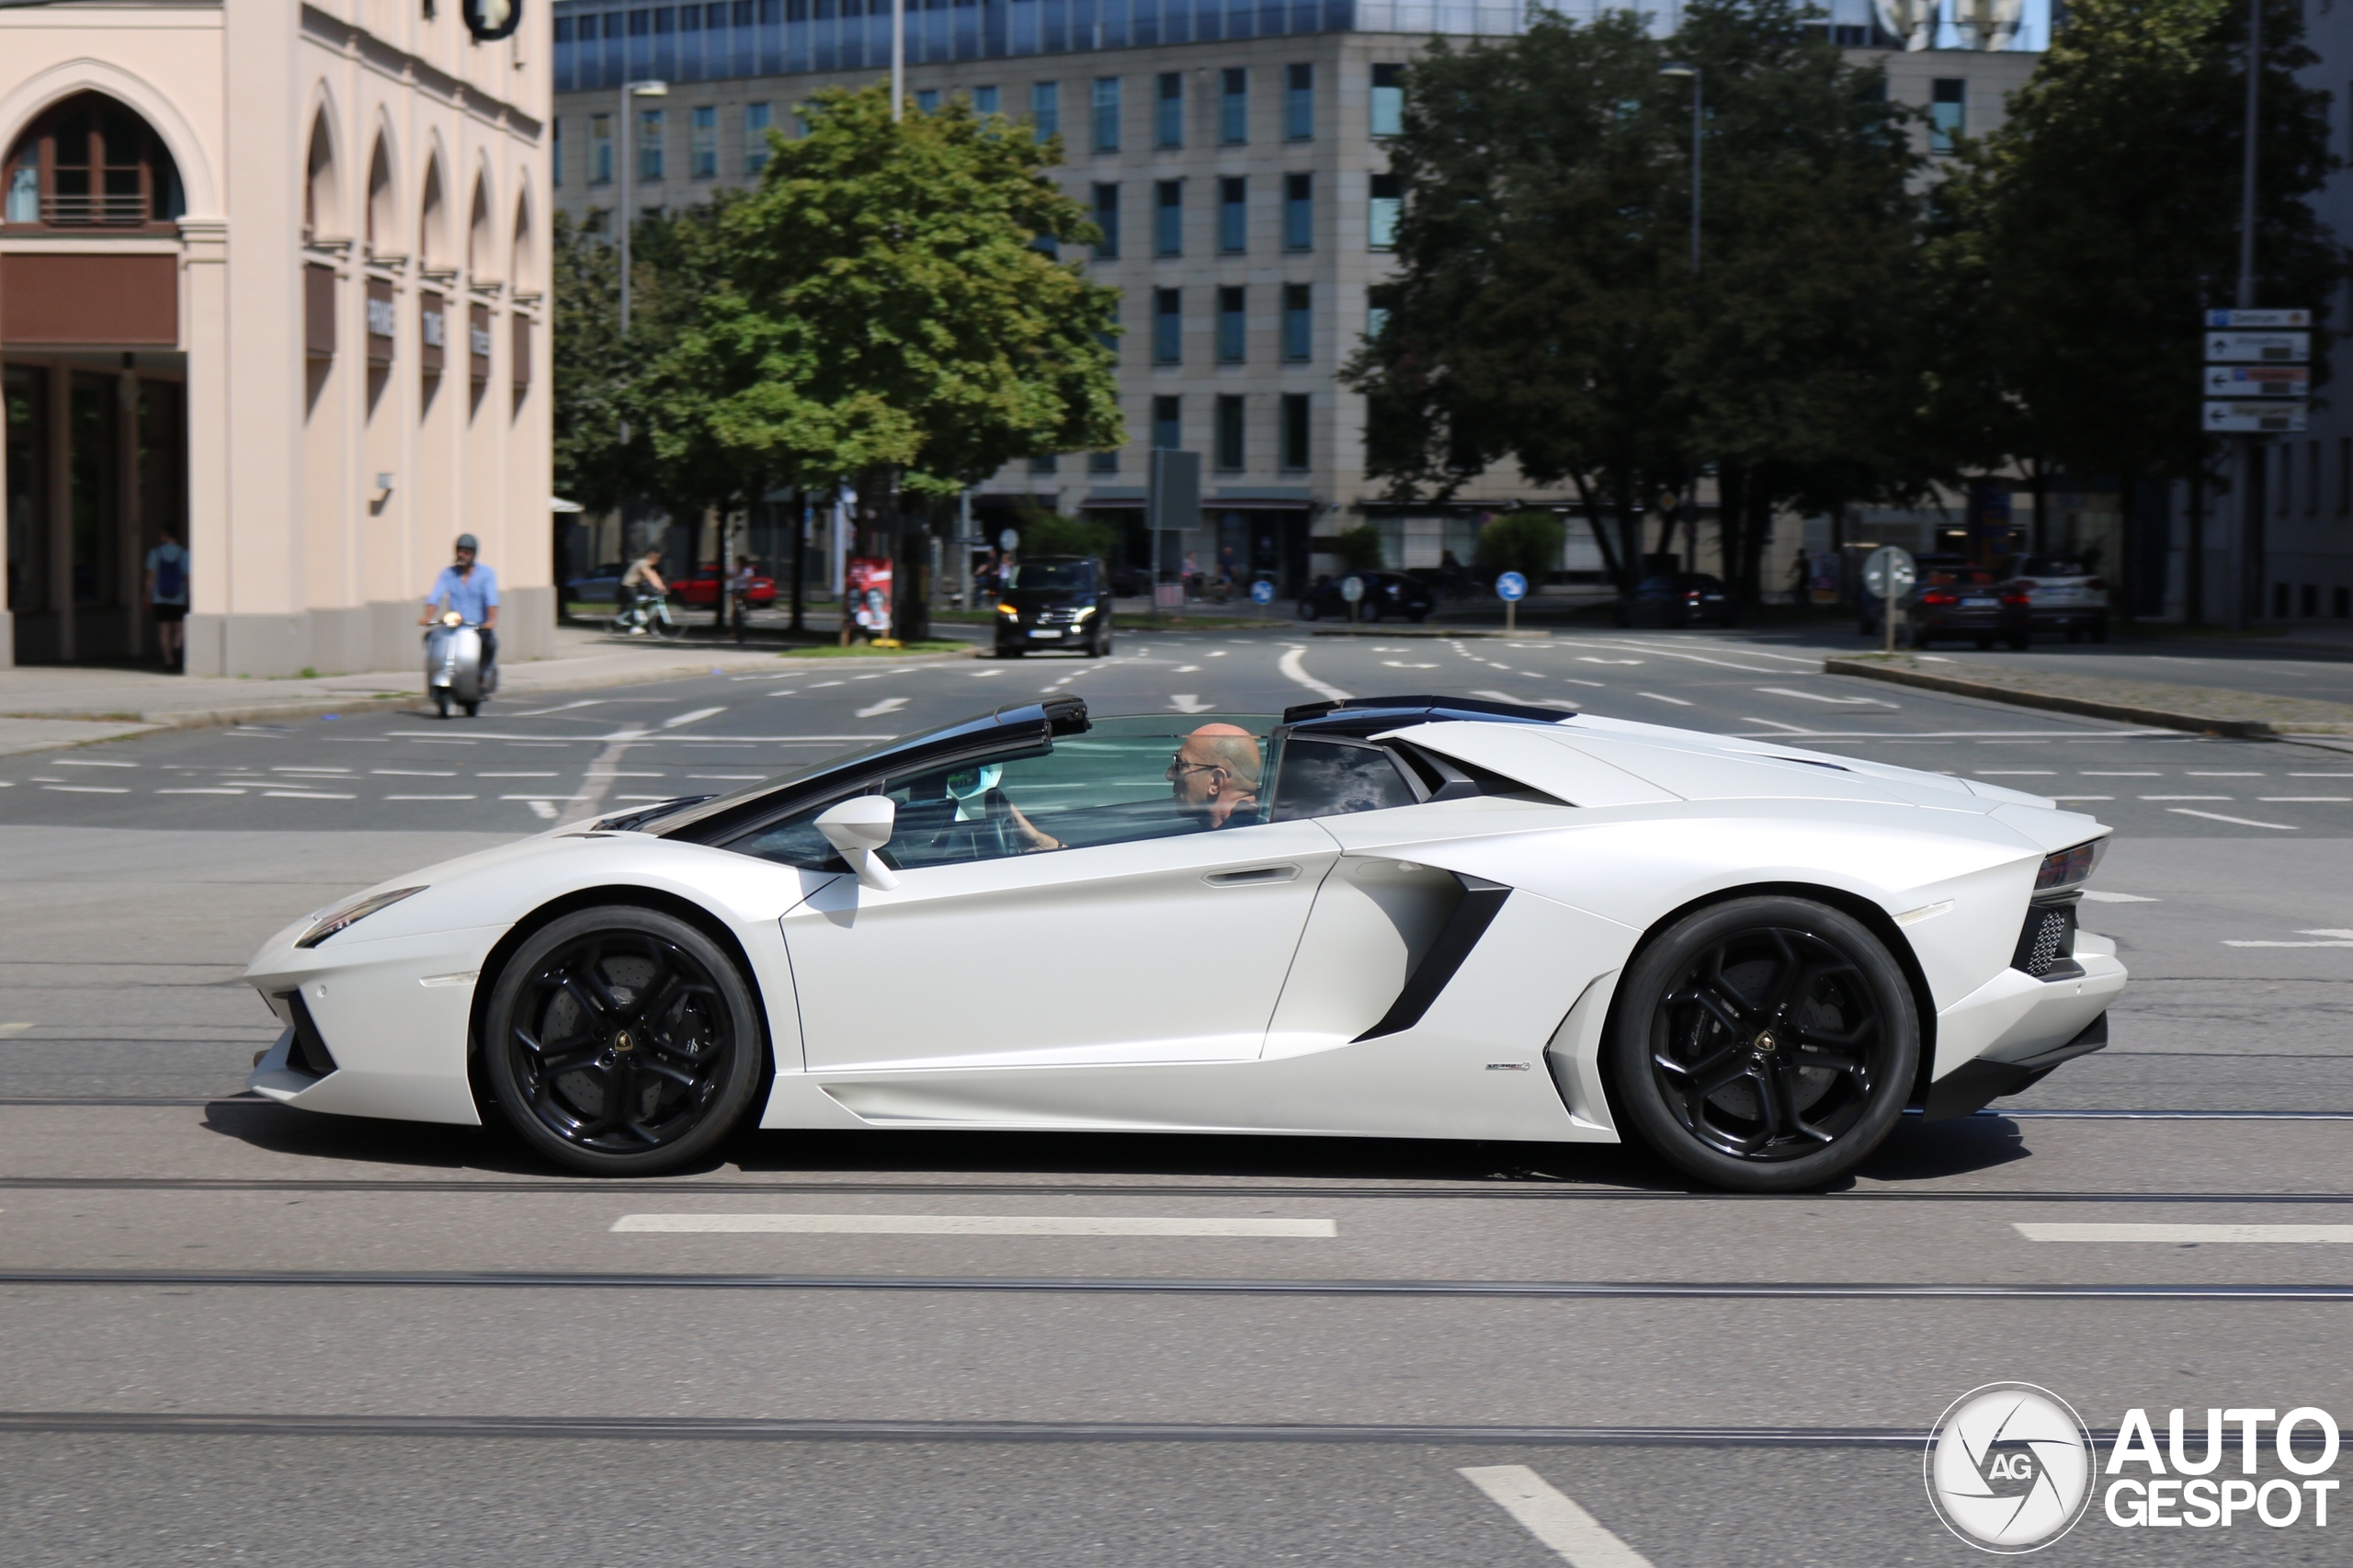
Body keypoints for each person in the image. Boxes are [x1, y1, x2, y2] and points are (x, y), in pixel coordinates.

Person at [419, 532, 500, 683]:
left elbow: (491, 600)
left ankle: (481, 674)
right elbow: (434, 597)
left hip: (477, 628)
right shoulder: (448, 574)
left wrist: (490, 621)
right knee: (429, 638)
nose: (462, 554)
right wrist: (427, 617)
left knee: (490, 645)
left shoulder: (486, 574)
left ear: (473, 554)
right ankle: (435, 672)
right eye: (459, 551)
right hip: (455, 626)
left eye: (466, 552)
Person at [1167, 722, 1262, 828]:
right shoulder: (1255, 831)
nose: (1169, 775)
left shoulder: (1239, 841)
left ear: (1216, 781)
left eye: (1181, 765)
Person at [144, 527, 189, 671]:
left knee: (164, 630)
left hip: (160, 597)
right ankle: (177, 646)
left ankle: (168, 660)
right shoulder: (184, 554)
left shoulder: (155, 553)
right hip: (179, 597)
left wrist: (147, 595)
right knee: (179, 627)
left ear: (164, 535)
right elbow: (187, 576)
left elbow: (150, 578)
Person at [618, 546, 666, 633]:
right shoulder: (643, 563)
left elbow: (656, 578)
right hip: (629, 585)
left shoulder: (651, 567)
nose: (659, 561)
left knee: (646, 601)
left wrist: (662, 588)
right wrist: (659, 587)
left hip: (638, 585)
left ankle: (642, 621)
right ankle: (635, 626)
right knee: (637, 603)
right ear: (653, 558)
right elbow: (650, 576)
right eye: (658, 559)